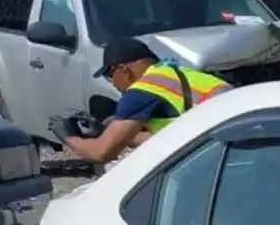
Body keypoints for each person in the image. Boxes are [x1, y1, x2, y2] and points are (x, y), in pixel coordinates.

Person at [59, 38, 232, 166]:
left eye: (110, 76)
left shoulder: (142, 90)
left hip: (217, 159)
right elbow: (168, 138)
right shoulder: (177, 73)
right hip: (235, 151)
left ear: (122, 70)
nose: (112, 83)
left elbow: (101, 153)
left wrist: (69, 137)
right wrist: (108, 132)